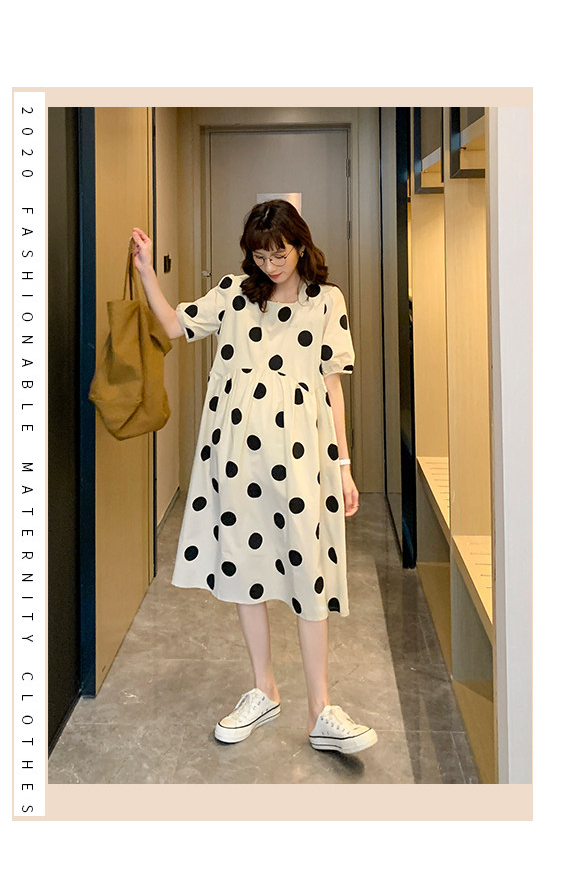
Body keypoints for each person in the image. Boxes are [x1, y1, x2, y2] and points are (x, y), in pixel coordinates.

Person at [131, 199, 377, 755]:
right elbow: (173, 325)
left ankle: (322, 710)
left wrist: (343, 466)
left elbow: (333, 387)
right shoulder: (233, 295)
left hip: (304, 458)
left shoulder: (327, 301)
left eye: (280, 253)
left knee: (309, 573)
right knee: (245, 567)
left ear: (301, 246)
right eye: (261, 256)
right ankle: (263, 689)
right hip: (237, 455)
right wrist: (146, 272)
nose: (271, 264)